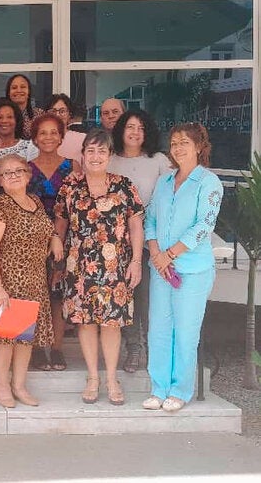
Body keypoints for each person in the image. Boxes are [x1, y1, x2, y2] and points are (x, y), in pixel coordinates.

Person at [54, 129, 144, 406]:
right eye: (90, 151)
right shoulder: (70, 186)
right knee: (85, 322)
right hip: (79, 266)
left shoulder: (124, 186)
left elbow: (136, 226)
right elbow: (60, 224)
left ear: (110, 155)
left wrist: (136, 262)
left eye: (101, 151)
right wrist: (57, 256)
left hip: (115, 267)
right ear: (82, 155)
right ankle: (93, 377)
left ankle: (112, 379)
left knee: (111, 323)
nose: (95, 156)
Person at [143, 123, 223, 412]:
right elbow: (150, 219)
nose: (177, 148)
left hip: (192, 269)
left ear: (199, 146)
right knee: (159, 330)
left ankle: (180, 390)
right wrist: (156, 253)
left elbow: (204, 225)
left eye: (184, 142)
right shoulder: (164, 181)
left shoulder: (208, 182)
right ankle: (159, 388)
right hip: (160, 269)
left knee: (186, 332)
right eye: (174, 142)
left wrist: (170, 254)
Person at [0, 154, 62, 408]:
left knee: (24, 338)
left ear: (28, 174)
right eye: (6, 173)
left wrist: (55, 237)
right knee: (5, 339)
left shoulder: (35, 201)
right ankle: (2, 385)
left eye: (18, 170)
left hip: (33, 281)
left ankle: (19, 385)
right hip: (7, 281)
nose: (13, 176)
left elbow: (45, 228)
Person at [108, 109, 171, 374]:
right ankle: (133, 346)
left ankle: (153, 347)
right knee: (126, 295)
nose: (135, 132)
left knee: (148, 296)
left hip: (150, 240)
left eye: (141, 128)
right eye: (130, 127)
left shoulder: (158, 161)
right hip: (115, 242)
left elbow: (170, 197)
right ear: (121, 130)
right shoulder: (110, 160)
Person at [27, 113, 74, 372]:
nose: (48, 137)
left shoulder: (72, 166)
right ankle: (34, 348)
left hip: (64, 238)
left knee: (57, 294)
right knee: (33, 294)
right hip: (32, 239)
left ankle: (56, 348)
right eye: (42, 133)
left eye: (53, 132)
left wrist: (61, 239)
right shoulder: (26, 168)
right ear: (34, 138)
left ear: (61, 137)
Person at [5, 74, 44, 139]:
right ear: (9, 93)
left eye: (23, 87)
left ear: (29, 91)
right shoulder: (2, 115)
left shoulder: (39, 115)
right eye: (14, 88)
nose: (18, 90)